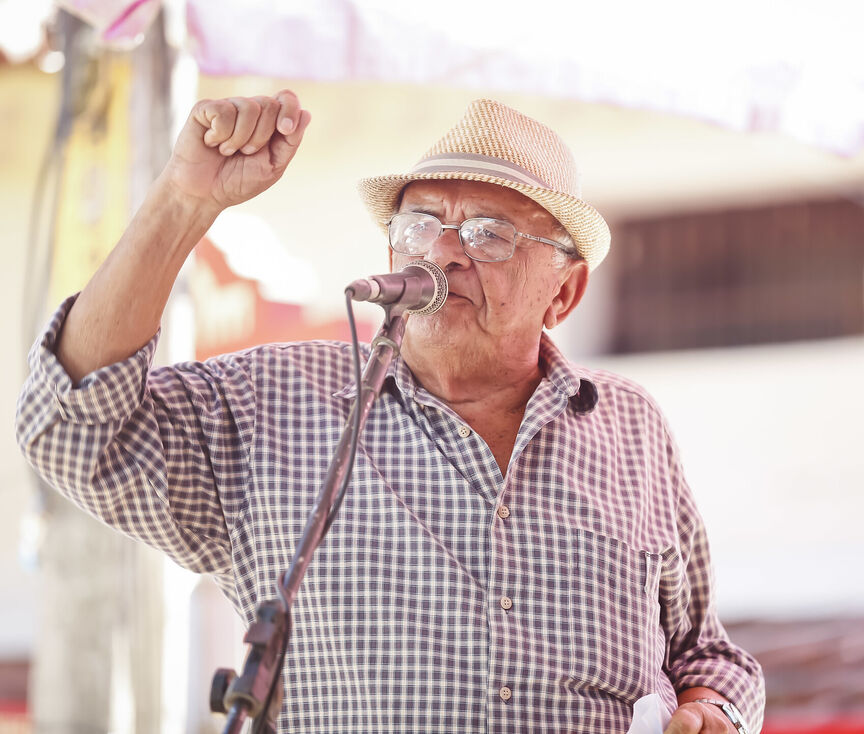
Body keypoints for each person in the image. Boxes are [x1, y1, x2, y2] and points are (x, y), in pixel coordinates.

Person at [16, 90, 764, 733]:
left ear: (563, 294)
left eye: (488, 233)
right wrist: (186, 198)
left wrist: (710, 707)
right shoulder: (276, 404)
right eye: (419, 225)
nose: (441, 253)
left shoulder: (630, 425)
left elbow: (709, 655)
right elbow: (72, 427)